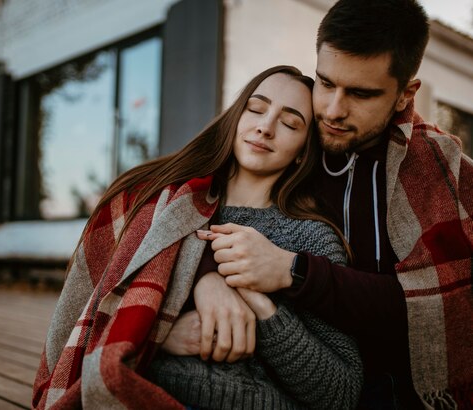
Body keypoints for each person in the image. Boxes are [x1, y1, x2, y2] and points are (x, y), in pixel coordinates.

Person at [32, 66, 363, 409]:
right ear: (236, 116)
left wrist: (261, 309)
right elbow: (96, 321)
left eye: (290, 123)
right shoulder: (161, 203)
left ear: (302, 152)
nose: (266, 127)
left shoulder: (310, 237)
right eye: (256, 108)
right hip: (136, 394)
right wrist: (160, 334)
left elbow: (341, 393)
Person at [196, 1, 473, 408]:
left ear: (404, 94)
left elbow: (441, 311)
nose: (333, 110)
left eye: (361, 93)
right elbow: (195, 204)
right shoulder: (292, 140)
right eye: (325, 83)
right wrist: (208, 278)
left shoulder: (443, 174)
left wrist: (293, 270)